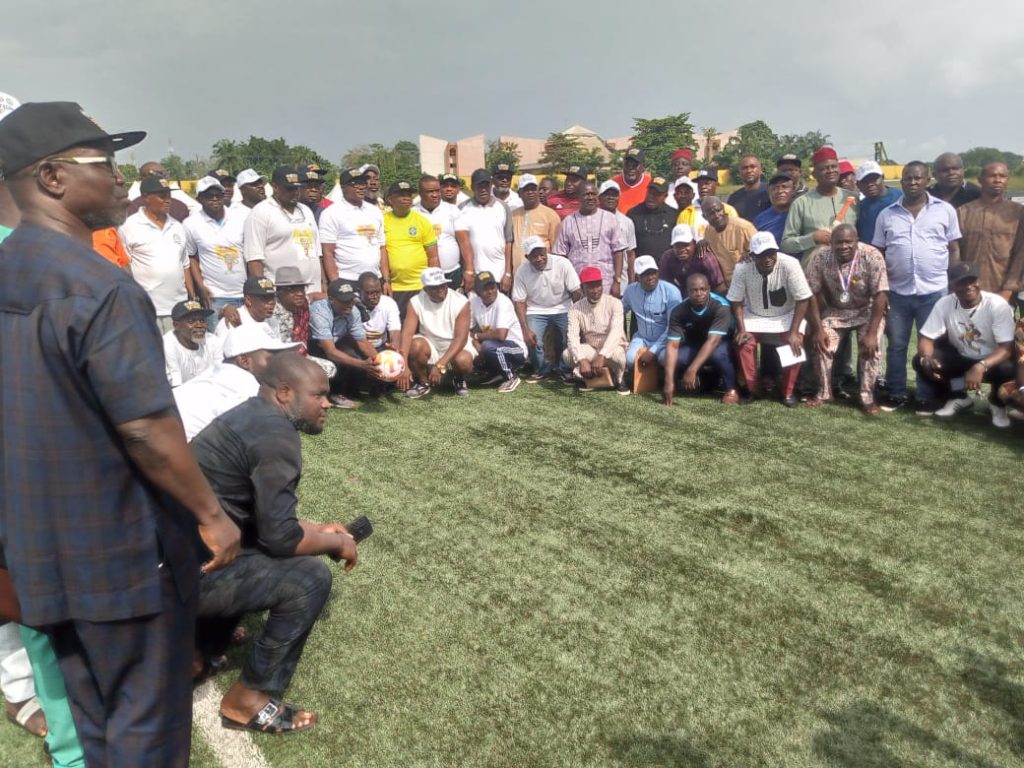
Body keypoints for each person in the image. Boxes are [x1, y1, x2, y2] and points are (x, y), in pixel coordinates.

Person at [0, 100, 240, 766]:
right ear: (51, 177)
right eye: (104, 164)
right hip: (122, 557)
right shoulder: (101, 288)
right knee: (144, 729)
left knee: (95, 723)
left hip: (39, 554)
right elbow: (145, 429)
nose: (119, 179)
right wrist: (211, 514)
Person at [191, 352, 358, 735]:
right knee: (308, 578)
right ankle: (247, 700)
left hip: (175, 560)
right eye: (319, 394)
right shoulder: (276, 435)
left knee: (255, 552)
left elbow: (257, 518)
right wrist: (335, 545)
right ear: (285, 393)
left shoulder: (252, 415)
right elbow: (281, 539)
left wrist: (318, 529)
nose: (327, 403)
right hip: (183, 577)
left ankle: (198, 652)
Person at [872, 160, 962, 413]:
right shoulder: (887, 214)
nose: (913, 182)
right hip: (898, 292)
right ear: (901, 182)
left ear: (927, 180)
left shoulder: (945, 211)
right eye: (908, 178)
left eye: (918, 178)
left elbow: (954, 248)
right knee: (897, 345)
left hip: (934, 292)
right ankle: (896, 392)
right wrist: (882, 288)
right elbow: (879, 252)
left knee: (930, 346)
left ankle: (924, 396)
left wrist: (952, 283)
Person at [913, 263, 1015, 427]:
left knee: (1010, 368)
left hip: (992, 362)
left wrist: (980, 366)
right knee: (922, 361)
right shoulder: (945, 303)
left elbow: (1007, 348)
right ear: (952, 286)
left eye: (972, 280)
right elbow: (926, 338)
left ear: (979, 281)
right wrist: (926, 358)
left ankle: (996, 403)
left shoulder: (997, 304)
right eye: (962, 282)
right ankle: (958, 396)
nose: (969, 286)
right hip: (961, 358)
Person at [804, 225, 889, 414]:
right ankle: (824, 392)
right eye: (838, 242)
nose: (843, 246)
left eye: (848, 242)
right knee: (822, 344)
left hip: (866, 310)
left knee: (870, 348)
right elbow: (811, 294)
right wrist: (817, 329)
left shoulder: (872, 255)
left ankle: (867, 397)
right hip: (836, 311)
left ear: (856, 241)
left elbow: (881, 295)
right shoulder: (820, 256)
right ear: (831, 243)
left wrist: (872, 333)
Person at [728, 232, 813, 406]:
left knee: (795, 344)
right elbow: (736, 300)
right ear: (752, 255)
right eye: (761, 255)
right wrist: (742, 329)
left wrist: (795, 331)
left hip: (786, 316)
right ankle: (753, 388)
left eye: (771, 253)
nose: (767, 258)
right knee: (744, 343)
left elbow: (803, 298)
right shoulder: (742, 267)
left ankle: (787, 392)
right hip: (754, 315)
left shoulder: (791, 264)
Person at [175, 324, 299, 440]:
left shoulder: (217, 372)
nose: (280, 365)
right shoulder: (247, 391)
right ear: (244, 361)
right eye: (272, 358)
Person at [121, 174, 193, 331]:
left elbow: (185, 264)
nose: (168, 200)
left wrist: (192, 297)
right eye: (162, 196)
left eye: (169, 195)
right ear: (146, 197)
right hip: (148, 308)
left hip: (178, 308)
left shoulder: (177, 226)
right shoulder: (129, 226)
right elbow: (124, 267)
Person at [398, 267, 476, 398]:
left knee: (463, 361)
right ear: (425, 289)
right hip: (431, 344)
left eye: (443, 285)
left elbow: (460, 339)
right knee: (415, 345)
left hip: (456, 346)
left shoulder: (461, 301)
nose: (441, 289)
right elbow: (406, 334)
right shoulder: (415, 302)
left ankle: (458, 379)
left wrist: (440, 364)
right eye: (435, 287)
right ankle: (423, 382)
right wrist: (403, 365)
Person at [512, 236, 582, 383]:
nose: (539, 258)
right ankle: (541, 370)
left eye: (541, 253)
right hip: (535, 310)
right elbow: (519, 301)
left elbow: (576, 291)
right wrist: (525, 329)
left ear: (546, 250)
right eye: (534, 255)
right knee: (532, 339)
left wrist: (577, 317)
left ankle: (564, 369)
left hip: (563, 307)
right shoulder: (522, 271)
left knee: (569, 336)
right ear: (527, 257)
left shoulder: (562, 263)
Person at [663, 273, 738, 405]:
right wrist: (668, 382)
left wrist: (692, 369)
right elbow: (672, 346)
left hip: (720, 342)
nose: (699, 294)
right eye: (694, 290)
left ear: (709, 289)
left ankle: (730, 389)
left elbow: (713, 341)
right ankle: (680, 384)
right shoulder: (678, 311)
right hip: (695, 343)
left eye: (702, 289)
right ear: (687, 291)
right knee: (678, 358)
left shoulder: (721, 305)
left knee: (718, 355)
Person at [243, 165, 322, 291]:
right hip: (281, 294)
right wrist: (264, 293)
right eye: (289, 189)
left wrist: (322, 285)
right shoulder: (260, 212)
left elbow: (318, 253)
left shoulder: (306, 210)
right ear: (275, 187)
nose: (295, 192)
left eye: (297, 188)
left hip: (314, 292)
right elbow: (254, 259)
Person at [309, 280, 383, 407]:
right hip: (313, 347)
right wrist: (362, 365)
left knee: (355, 353)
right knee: (343, 359)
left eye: (351, 300)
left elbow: (362, 342)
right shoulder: (320, 312)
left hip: (333, 343)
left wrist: (382, 363)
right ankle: (332, 393)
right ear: (331, 300)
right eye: (345, 301)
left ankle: (351, 390)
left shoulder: (353, 311)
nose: (350, 305)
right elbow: (330, 351)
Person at [956, 162, 1024, 300]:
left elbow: (1020, 255)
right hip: (968, 290)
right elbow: (955, 253)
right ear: (980, 179)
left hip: (1003, 291)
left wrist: (1008, 290)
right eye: (992, 176)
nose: (998, 180)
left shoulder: (1018, 213)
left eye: (1002, 176)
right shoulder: (963, 212)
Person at [781, 146, 858, 264]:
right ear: (814, 174)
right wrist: (812, 239)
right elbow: (786, 245)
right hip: (815, 273)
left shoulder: (853, 199)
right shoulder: (802, 203)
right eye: (824, 168)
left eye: (834, 166)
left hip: (851, 271)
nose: (831, 171)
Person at [184, 176, 247, 316]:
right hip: (215, 296)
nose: (214, 198)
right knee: (217, 337)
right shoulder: (191, 224)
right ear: (198, 199)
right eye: (209, 196)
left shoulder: (241, 217)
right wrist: (201, 287)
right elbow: (191, 257)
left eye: (218, 194)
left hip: (244, 293)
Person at [620, 255, 683, 394]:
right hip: (642, 337)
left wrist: (653, 350)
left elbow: (673, 327)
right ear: (637, 276)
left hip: (667, 340)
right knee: (630, 359)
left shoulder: (671, 292)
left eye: (653, 272)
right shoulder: (630, 291)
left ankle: (670, 380)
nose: (650, 277)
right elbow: (619, 312)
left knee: (663, 358)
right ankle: (641, 379)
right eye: (645, 274)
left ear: (658, 272)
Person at [552, 180, 626, 296]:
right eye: (586, 194)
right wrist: (567, 281)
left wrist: (617, 280)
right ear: (578, 197)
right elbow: (560, 255)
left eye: (593, 194)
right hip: (577, 283)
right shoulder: (568, 221)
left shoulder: (610, 218)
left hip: (605, 283)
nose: (590, 197)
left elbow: (618, 250)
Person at [318, 166, 385, 287]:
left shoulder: (375, 211)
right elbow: (327, 252)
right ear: (343, 187)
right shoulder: (331, 213)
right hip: (347, 279)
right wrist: (335, 283)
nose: (361, 187)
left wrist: (386, 279)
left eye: (363, 183)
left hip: (375, 278)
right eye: (355, 184)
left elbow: (382, 247)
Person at [565, 265, 627, 390]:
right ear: (582, 288)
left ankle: (619, 379)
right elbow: (572, 336)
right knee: (567, 354)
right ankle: (588, 377)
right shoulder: (575, 308)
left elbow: (616, 333)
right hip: (592, 348)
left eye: (598, 285)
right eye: (590, 287)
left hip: (612, 348)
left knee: (618, 355)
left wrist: (602, 356)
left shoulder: (615, 303)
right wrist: (582, 360)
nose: (595, 290)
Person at [269, 266, 337, 379]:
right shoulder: (271, 310)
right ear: (279, 292)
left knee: (330, 368)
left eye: (301, 289)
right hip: (280, 361)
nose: (300, 293)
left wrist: (336, 297)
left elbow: (314, 296)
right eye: (293, 290)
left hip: (302, 355)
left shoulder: (303, 302)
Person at [382, 180, 439, 313]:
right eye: (401, 195)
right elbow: (382, 253)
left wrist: (432, 284)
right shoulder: (382, 221)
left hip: (420, 285)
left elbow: (433, 257)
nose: (406, 198)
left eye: (408, 195)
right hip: (395, 288)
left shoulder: (422, 221)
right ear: (390, 199)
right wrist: (386, 281)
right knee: (399, 327)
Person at [455, 169, 514, 293]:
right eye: (479, 186)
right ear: (472, 187)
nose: (483, 189)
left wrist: (508, 273)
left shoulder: (503, 207)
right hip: (474, 275)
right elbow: (460, 244)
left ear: (491, 185)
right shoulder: (461, 209)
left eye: (486, 185)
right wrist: (466, 271)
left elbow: (509, 242)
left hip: (499, 274)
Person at [469, 271, 528, 392]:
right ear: (477, 292)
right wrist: (474, 342)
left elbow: (501, 335)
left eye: (492, 287)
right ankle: (494, 373)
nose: (490, 291)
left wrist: (475, 336)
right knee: (470, 343)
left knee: (488, 346)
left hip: (516, 349)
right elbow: (465, 329)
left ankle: (511, 377)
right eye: (485, 289)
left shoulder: (503, 302)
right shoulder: (474, 302)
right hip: (494, 346)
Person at [415, 175, 470, 290]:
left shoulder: (452, 210)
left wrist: (469, 270)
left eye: (437, 191)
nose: (435, 195)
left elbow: (464, 242)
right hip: (425, 276)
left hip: (453, 272)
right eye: (430, 192)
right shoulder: (413, 213)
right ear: (420, 193)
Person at [164, 299, 223, 386]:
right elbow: (176, 386)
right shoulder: (167, 345)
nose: (199, 325)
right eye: (191, 321)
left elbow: (221, 374)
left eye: (202, 320)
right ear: (176, 325)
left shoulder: (213, 341)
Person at [511, 173, 561, 272]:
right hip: (518, 274)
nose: (530, 192)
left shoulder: (550, 215)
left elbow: (556, 248)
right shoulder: (513, 215)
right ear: (519, 193)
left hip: (542, 273)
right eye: (526, 190)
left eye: (533, 189)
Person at [627, 176, 675, 277]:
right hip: (640, 273)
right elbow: (629, 250)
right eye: (650, 192)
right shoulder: (633, 214)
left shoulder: (673, 215)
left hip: (666, 272)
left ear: (665, 196)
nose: (651, 197)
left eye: (657, 194)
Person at [658, 223, 726, 295]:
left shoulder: (705, 258)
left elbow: (720, 286)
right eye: (677, 246)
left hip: (709, 295)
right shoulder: (667, 257)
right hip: (684, 295)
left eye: (685, 245)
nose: (681, 249)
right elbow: (664, 284)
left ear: (694, 243)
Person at [701, 196, 755, 284]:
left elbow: (761, 254)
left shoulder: (744, 227)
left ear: (723, 208)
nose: (716, 216)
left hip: (750, 280)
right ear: (704, 216)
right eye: (711, 213)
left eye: (718, 210)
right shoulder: (708, 231)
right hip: (726, 285)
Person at [126, 161, 199, 222]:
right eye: (160, 173)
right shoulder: (132, 208)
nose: (164, 177)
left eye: (164, 174)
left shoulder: (180, 207)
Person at [597, 180, 637, 283]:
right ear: (599, 197)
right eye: (607, 195)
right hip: (597, 277)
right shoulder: (591, 219)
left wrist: (632, 281)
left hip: (621, 279)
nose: (611, 198)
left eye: (614, 195)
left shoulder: (627, 222)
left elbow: (630, 254)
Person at [854, 161, 900, 245]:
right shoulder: (859, 207)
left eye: (874, 179)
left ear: (882, 177)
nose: (870, 184)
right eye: (865, 181)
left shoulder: (901, 198)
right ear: (858, 185)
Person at [357, 271, 401, 352]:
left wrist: (394, 345)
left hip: (381, 347)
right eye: (370, 293)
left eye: (378, 292)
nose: (375, 296)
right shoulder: (352, 305)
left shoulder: (388, 303)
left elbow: (395, 330)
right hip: (357, 347)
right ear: (359, 292)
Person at [753, 172, 796, 245]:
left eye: (784, 187)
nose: (780, 191)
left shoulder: (800, 214)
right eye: (774, 188)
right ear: (769, 192)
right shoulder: (759, 220)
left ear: (793, 190)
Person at [727, 155, 770, 222]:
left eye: (752, 167)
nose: (749, 170)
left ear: (761, 169)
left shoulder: (770, 192)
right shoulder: (734, 198)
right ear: (739, 171)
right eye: (745, 168)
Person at [610, 147, 650, 214]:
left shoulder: (651, 185)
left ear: (643, 166)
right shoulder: (613, 184)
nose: (630, 168)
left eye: (635, 165)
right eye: (627, 164)